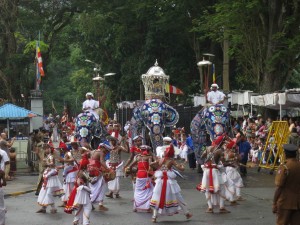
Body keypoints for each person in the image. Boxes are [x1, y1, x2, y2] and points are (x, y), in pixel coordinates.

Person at [150, 144, 192, 223]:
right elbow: (181, 169)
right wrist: (182, 166)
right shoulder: (171, 161)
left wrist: (159, 166)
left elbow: (151, 164)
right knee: (178, 197)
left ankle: (154, 217)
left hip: (160, 182)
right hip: (169, 182)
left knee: (157, 197)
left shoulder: (160, 160)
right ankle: (187, 213)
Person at [273, 144, 300, 225]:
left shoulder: (284, 167)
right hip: (298, 202)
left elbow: (279, 187)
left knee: (282, 223)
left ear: (285, 154)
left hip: (285, 202)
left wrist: (274, 203)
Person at [36, 143, 64, 214]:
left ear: (49, 149)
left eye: (46, 149)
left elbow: (52, 164)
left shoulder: (51, 156)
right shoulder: (48, 156)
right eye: (44, 149)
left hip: (51, 176)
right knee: (45, 192)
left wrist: (46, 163)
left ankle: (52, 208)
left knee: (48, 193)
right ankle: (44, 208)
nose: (45, 150)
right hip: (48, 175)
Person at [126, 145, 154, 212]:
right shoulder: (149, 157)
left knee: (138, 191)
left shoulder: (138, 157)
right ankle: (147, 208)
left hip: (138, 175)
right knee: (149, 191)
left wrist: (128, 170)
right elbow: (151, 166)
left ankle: (135, 207)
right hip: (145, 175)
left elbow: (130, 166)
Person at [88, 143, 111, 211]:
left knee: (93, 188)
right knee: (101, 187)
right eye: (106, 150)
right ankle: (100, 204)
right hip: (97, 172)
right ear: (102, 148)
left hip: (90, 171)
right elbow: (102, 162)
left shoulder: (93, 151)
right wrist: (108, 169)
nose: (106, 152)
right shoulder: (101, 152)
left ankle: (91, 204)